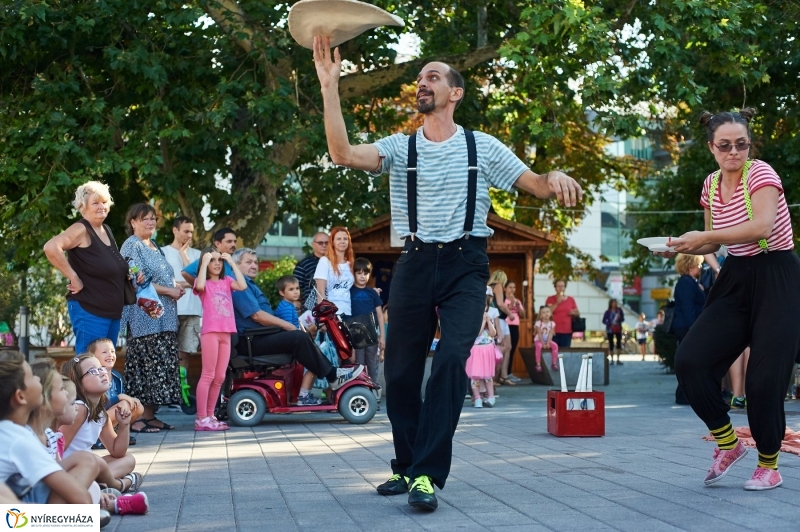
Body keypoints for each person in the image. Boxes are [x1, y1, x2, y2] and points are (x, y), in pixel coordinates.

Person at [313, 35, 581, 510]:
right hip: (415, 262)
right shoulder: (400, 148)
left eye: (432, 77)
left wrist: (554, 177)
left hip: (466, 264)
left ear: (455, 92)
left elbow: (537, 185)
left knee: (451, 361)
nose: (422, 83)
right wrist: (329, 87)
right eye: (420, 78)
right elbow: (342, 154)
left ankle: (426, 474)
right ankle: (407, 466)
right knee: (400, 374)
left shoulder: (482, 146)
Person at [664, 108, 800, 491]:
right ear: (711, 147)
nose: (734, 152)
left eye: (741, 144)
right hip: (736, 277)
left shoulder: (761, 174)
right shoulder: (710, 185)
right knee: (690, 360)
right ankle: (728, 443)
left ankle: (769, 465)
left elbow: (762, 227)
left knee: (764, 379)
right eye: (725, 146)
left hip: (777, 275)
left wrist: (705, 238)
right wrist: (679, 245)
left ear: (749, 145)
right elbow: (711, 242)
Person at [230, 248, 366, 398]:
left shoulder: (248, 284)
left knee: (302, 336)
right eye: (248, 262)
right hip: (251, 340)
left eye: (255, 262)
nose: (254, 265)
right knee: (298, 337)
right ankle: (332, 377)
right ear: (236, 265)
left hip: (260, 336)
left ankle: (328, 379)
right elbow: (257, 316)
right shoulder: (240, 286)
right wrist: (286, 325)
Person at [43, 181, 130, 353]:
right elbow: (51, 247)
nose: (101, 206)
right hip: (90, 311)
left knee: (105, 365)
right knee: (88, 364)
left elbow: (109, 267)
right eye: (95, 203)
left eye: (104, 202)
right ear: (83, 207)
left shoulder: (106, 230)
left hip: (111, 312)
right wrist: (73, 277)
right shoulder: (81, 228)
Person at [0, 351, 96, 504]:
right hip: (18, 513)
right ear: (20, 396)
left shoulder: (9, 432)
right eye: (31, 376)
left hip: (18, 504)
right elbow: (81, 498)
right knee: (86, 461)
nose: (37, 378)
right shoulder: (19, 439)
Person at [120, 203, 183, 433]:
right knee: (144, 368)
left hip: (164, 318)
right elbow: (136, 281)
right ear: (133, 222)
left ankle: (150, 415)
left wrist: (176, 287)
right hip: (144, 319)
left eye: (153, 218)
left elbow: (163, 277)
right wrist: (169, 291)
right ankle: (136, 419)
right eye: (144, 218)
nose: (150, 222)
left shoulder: (155, 245)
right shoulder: (132, 245)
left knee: (159, 368)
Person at [59, 355, 141, 492]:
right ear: (78, 383)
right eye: (93, 371)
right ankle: (115, 484)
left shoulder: (100, 413)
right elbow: (58, 448)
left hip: (86, 466)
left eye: (101, 368)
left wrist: (124, 425)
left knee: (128, 459)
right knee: (96, 461)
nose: (102, 372)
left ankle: (97, 483)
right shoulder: (79, 409)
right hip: (68, 468)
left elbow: (117, 452)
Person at [193, 248, 247, 431]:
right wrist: (203, 262)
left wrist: (232, 262)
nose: (216, 263)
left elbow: (243, 285)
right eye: (212, 260)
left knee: (220, 377)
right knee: (208, 375)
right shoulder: (202, 282)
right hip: (210, 332)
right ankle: (201, 418)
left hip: (226, 333)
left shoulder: (227, 281)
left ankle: (210, 415)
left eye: (219, 260)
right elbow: (200, 286)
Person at [162, 216, 202, 371]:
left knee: (184, 355)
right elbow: (162, 283)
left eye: (191, 232)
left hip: (192, 311)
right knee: (166, 353)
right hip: (169, 309)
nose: (189, 235)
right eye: (186, 231)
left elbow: (199, 282)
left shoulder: (198, 255)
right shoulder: (162, 252)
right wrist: (190, 284)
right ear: (175, 230)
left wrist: (183, 255)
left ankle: (181, 385)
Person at [88, 339, 142, 448]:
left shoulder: (117, 376)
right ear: (93, 357)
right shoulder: (93, 377)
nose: (110, 355)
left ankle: (115, 435)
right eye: (104, 352)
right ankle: (98, 438)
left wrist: (126, 400)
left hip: (110, 416)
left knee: (138, 407)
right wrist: (120, 397)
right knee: (124, 404)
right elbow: (97, 405)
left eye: (112, 351)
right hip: (94, 418)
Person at [350, 258, 386, 380]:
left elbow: (380, 315)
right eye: (359, 273)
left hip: (372, 333)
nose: (362, 276)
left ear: (370, 274)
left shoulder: (373, 293)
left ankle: (372, 387)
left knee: (371, 363)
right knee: (359, 364)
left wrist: (382, 336)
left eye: (365, 273)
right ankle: (360, 387)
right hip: (356, 333)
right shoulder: (348, 292)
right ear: (353, 274)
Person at [314, 226, 355, 316]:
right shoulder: (325, 261)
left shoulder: (350, 264)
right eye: (339, 239)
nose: (342, 241)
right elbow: (320, 292)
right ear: (332, 242)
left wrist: (372, 291)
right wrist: (325, 314)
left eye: (345, 239)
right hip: (331, 313)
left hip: (347, 311)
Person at [466, 297, 498, 408]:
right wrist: (483, 321)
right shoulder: (472, 318)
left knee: (488, 375)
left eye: (485, 305)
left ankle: (491, 397)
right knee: (475, 376)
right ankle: (477, 398)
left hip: (487, 348)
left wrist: (488, 321)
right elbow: (477, 333)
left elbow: (493, 333)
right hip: (475, 349)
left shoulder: (488, 317)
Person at [488, 270, 515, 385]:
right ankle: (494, 377)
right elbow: (500, 303)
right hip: (499, 319)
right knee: (501, 348)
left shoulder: (489, 286)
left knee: (507, 347)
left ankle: (502, 376)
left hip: (498, 319)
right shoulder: (498, 285)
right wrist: (510, 314)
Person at [672, 253, 705, 342]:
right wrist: (694, 328)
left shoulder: (689, 281)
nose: (701, 267)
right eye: (698, 264)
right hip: (687, 328)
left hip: (687, 326)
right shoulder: (686, 283)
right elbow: (688, 308)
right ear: (690, 267)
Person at [294, 232, 330, 305]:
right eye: (320, 243)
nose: (324, 245)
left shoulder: (336, 263)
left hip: (334, 305)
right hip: (311, 308)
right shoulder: (303, 264)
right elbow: (294, 287)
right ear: (313, 244)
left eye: (327, 243)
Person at [545, 279, 580, 349]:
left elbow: (577, 313)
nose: (560, 288)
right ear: (555, 288)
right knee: (553, 351)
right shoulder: (550, 299)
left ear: (565, 287)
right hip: (553, 331)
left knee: (565, 351)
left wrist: (573, 313)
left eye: (562, 286)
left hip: (567, 331)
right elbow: (547, 312)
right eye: (558, 286)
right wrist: (557, 303)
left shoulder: (571, 299)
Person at [503, 281, 525, 376]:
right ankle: (502, 373)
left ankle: (509, 372)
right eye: (510, 287)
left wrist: (518, 305)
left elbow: (523, 315)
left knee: (512, 350)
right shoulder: (503, 300)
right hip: (505, 326)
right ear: (505, 288)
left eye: (514, 287)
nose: (512, 289)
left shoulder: (517, 301)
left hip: (515, 326)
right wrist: (511, 305)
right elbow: (503, 312)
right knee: (506, 349)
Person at [533, 306, 558, 372]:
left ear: (550, 313)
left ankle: (554, 363)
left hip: (548, 340)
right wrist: (543, 343)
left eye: (547, 312)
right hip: (539, 340)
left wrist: (548, 343)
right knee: (539, 346)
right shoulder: (538, 323)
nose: (546, 313)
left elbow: (551, 334)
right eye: (543, 312)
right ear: (540, 316)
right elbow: (539, 334)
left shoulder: (552, 323)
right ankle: (538, 364)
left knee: (555, 346)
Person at [602, 299, 625, 365]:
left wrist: (620, 318)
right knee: (611, 344)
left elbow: (623, 319)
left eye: (615, 303)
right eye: (613, 303)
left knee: (618, 343)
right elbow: (604, 320)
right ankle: (611, 360)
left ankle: (618, 359)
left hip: (618, 329)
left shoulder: (619, 310)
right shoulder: (607, 312)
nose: (614, 304)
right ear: (611, 304)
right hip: (610, 329)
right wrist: (609, 323)